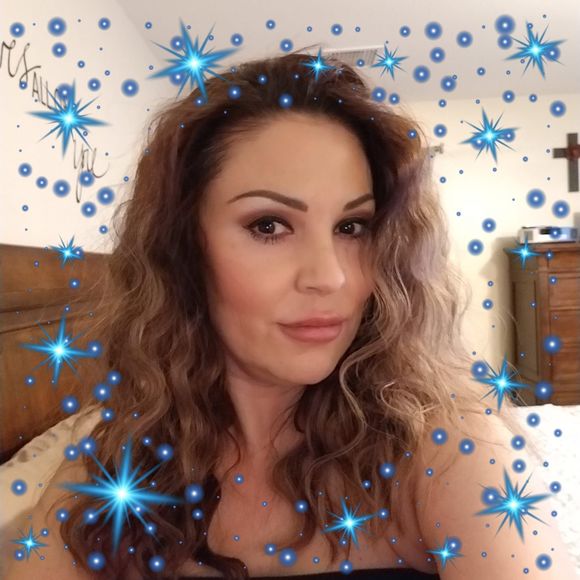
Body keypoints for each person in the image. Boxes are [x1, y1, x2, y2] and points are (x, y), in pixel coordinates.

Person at [3, 49, 576, 579]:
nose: (331, 277)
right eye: (269, 225)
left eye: (353, 227)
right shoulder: (111, 467)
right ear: (183, 250)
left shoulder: (449, 450)